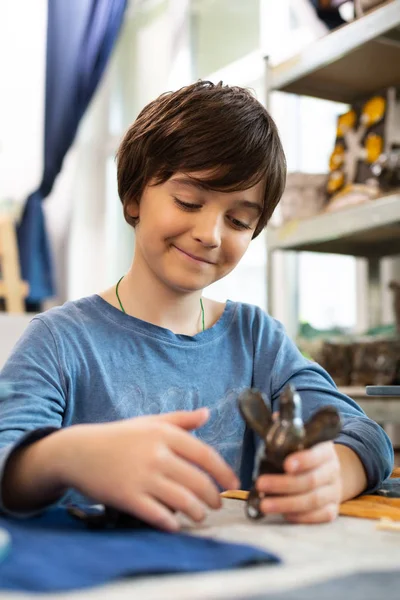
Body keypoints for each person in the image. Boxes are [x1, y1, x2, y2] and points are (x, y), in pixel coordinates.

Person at [0, 81, 393, 531]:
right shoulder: (60, 340)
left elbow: (366, 435)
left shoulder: (256, 339)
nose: (211, 233)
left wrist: (333, 473)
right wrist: (69, 456)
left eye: (238, 220)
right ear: (134, 199)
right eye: (189, 201)